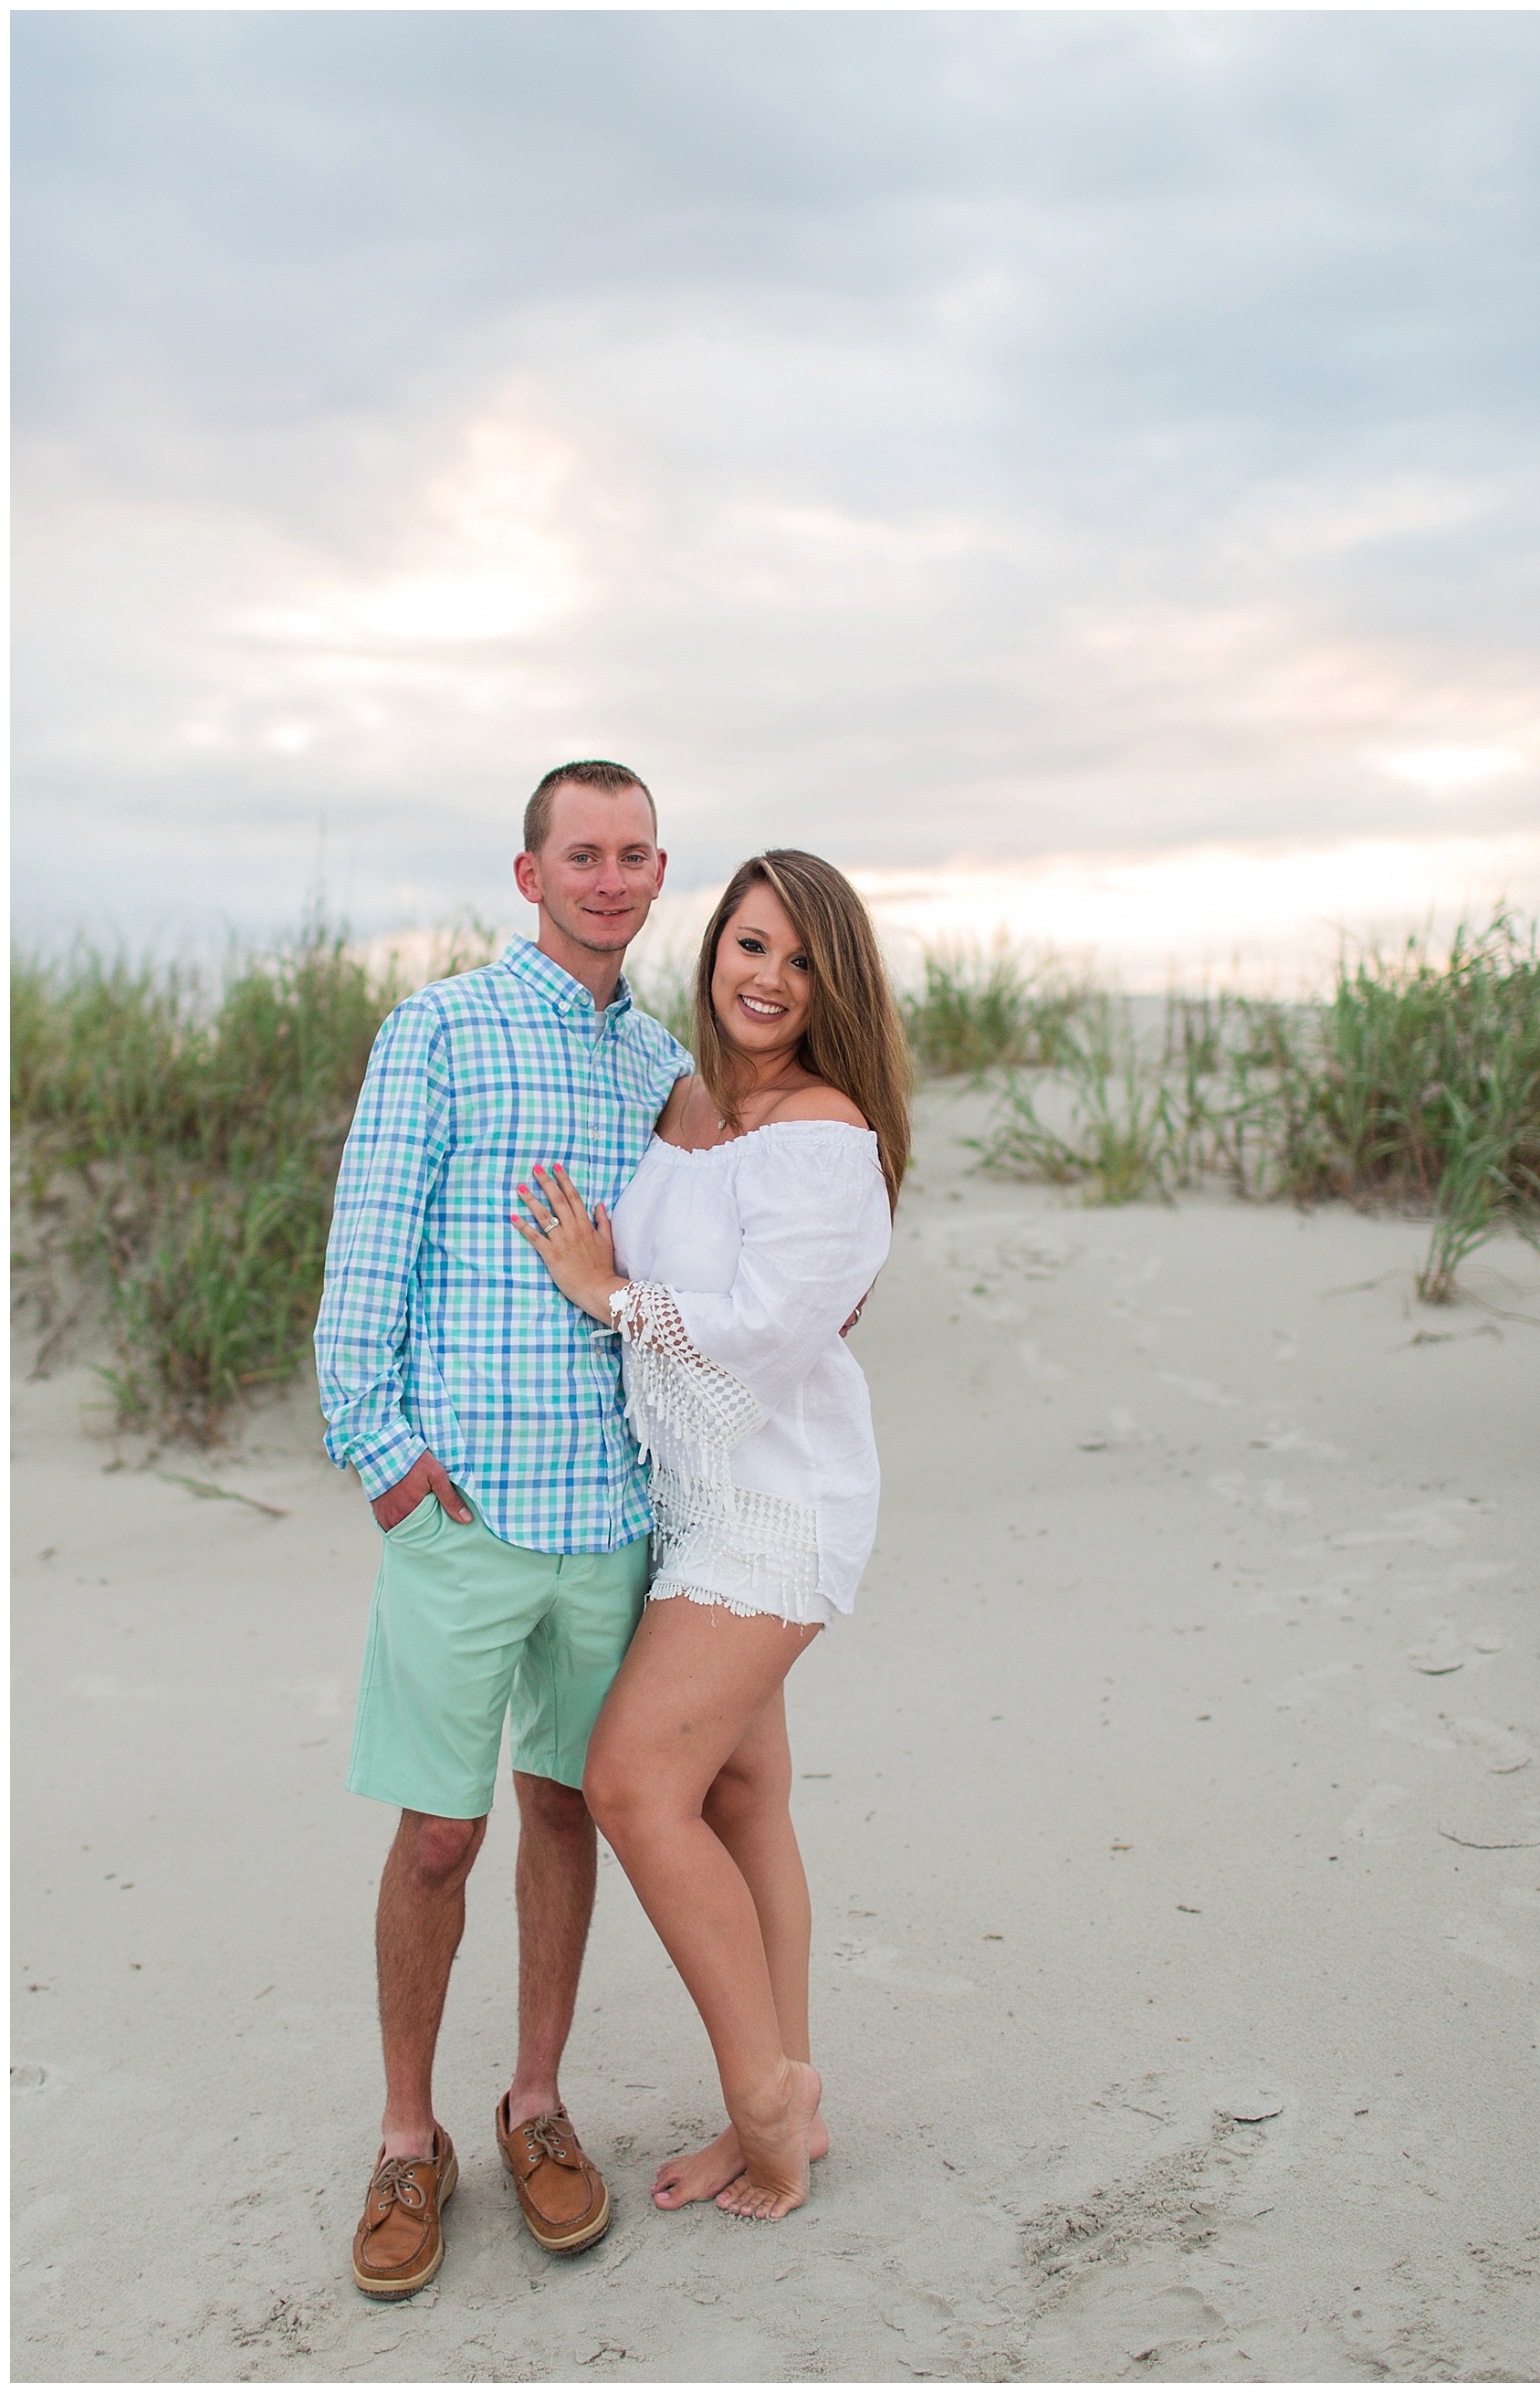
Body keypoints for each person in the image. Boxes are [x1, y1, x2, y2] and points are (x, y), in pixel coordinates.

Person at [315, 760, 690, 2299]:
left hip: (610, 1521)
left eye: (635, 854)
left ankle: (534, 2103)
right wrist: (389, 1461)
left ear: (659, 876)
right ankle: (409, 2136)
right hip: (461, 1516)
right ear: (528, 874)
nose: (610, 877)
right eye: (580, 853)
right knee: (438, 1833)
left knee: (562, 1812)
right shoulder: (442, 1031)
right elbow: (364, 1265)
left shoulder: (665, 1063)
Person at [511, 848, 911, 2221]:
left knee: (629, 1782)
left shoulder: (824, 1131)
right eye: (751, 944)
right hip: (689, 1497)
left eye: (801, 961)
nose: (768, 978)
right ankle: (787, 2084)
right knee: (741, 1797)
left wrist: (602, 1287)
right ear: (716, 949)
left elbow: (758, 1332)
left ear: (832, 986)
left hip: (777, 1504)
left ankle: (765, 2117)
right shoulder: (684, 1096)